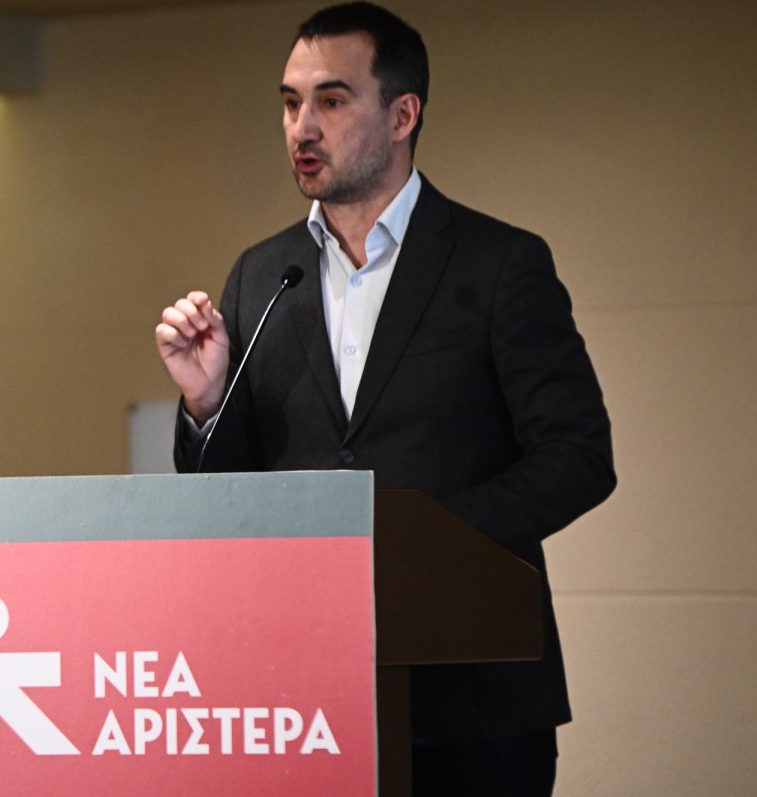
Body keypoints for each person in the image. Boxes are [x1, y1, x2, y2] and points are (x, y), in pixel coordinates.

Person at [153, 2, 616, 795]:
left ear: (403, 115)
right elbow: (226, 497)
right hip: (303, 700)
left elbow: (579, 458)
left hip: (474, 700)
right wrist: (205, 405)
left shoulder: (498, 264)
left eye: (331, 100)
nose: (302, 127)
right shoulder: (261, 275)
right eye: (290, 102)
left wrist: (420, 543)